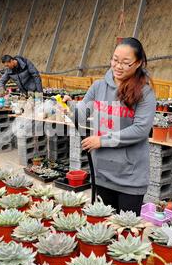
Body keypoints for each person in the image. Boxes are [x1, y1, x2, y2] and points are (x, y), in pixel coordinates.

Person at [63, 37, 156, 215]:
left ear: (138, 63)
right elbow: (82, 115)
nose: (118, 66)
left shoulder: (144, 92)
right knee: (104, 227)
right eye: (115, 60)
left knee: (126, 233)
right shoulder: (98, 86)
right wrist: (67, 107)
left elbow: (140, 130)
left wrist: (102, 140)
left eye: (125, 62)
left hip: (130, 177)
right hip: (103, 173)